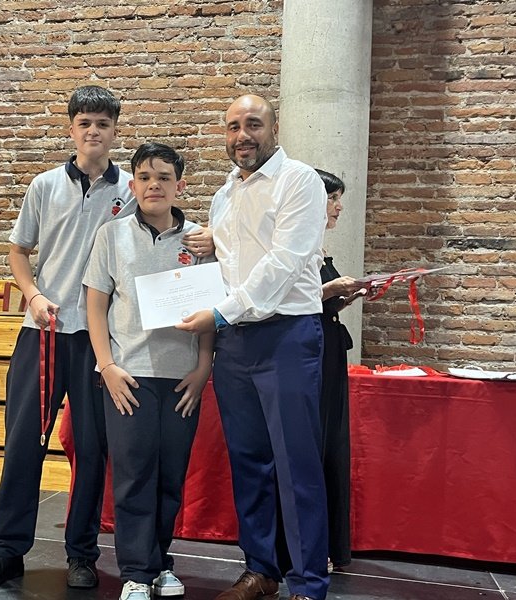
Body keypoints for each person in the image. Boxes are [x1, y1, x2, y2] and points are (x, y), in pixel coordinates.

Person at [0, 85, 137, 593]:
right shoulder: (44, 186)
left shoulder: (130, 191)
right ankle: (4, 553)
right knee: (23, 445)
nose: (93, 132)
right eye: (85, 123)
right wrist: (33, 295)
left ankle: (82, 554)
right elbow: (18, 252)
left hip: (99, 341)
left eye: (103, 124)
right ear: (71, 129)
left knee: (91, 450)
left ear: (114, 131)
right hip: (42, 333)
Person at [177, 94, 330, 600]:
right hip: (235, 343)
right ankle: (260, 570)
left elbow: (283, 263)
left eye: (253, 124)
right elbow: (231, 263)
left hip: (286, 336)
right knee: (248, 461)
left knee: (296, 463)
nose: (242, 135)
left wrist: (220, 312)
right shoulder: (224, 195)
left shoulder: (299, 181)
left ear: (273, 127)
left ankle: (308, 583)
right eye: (233, 126)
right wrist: (210, 245)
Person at [84, 142, 215, 600]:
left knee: (170, 476)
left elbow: (211, 309)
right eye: (144, 177)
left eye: (163, 177)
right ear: (133, 184)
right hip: (130, 376)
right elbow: (95, 306)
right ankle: (136, 573)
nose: (153, 185)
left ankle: (161, 565)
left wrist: (203, 368)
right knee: (134, 476)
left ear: (180, 185)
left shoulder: (201, 240)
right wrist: (107, 366)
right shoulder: (111, 235)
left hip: (182, 379)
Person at [315, 168, 365, 572]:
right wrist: (331, 290)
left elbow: (321, 303)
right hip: (309, 353)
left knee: (332, 443)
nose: (339, 206)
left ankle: (331, 543)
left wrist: (345, 296)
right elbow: (282, 299)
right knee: (315, 444)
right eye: (332, 198)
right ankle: (314, 546)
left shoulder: (320, 248)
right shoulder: (296, 248)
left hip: (330, 350)